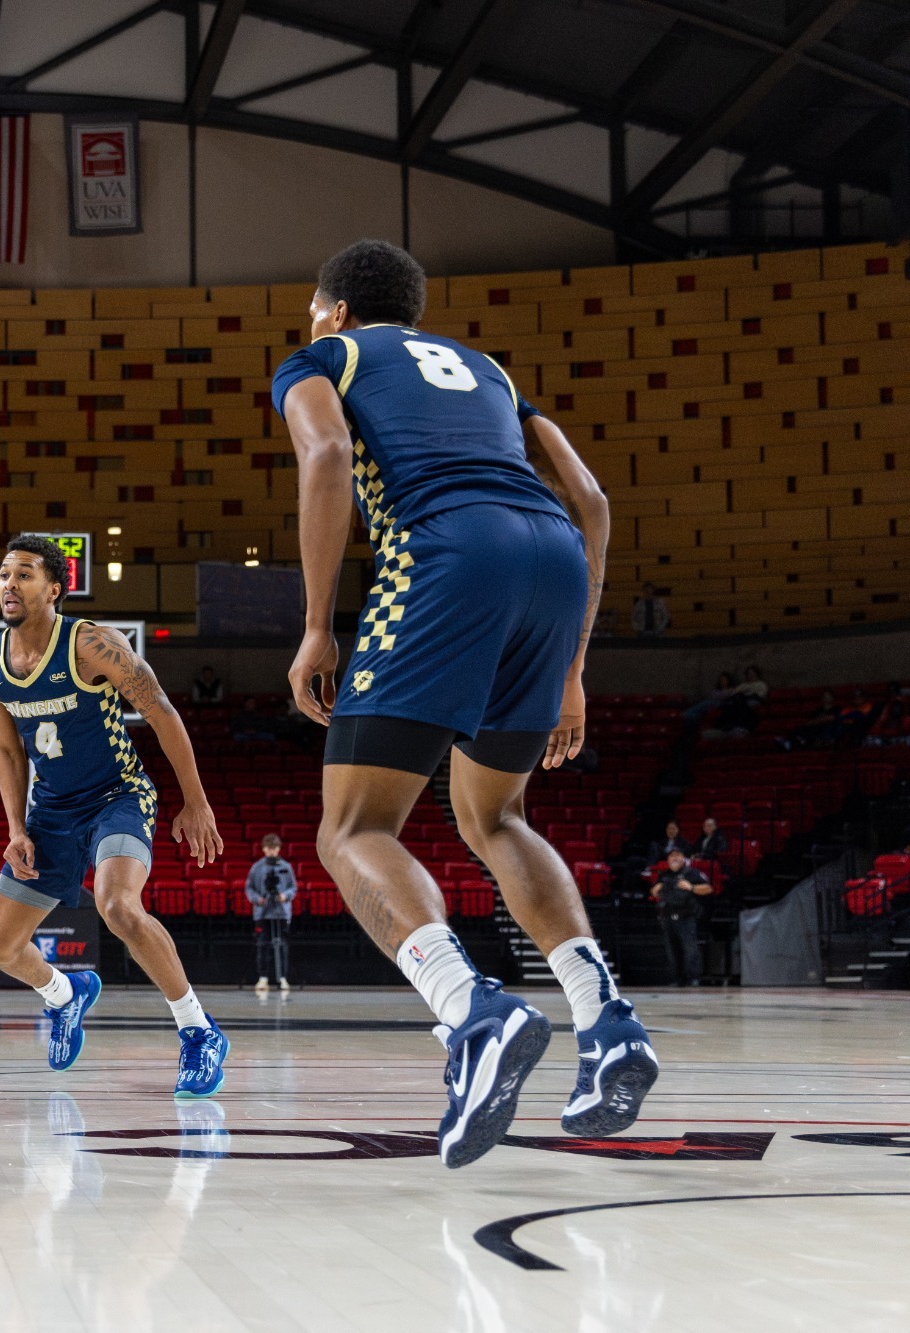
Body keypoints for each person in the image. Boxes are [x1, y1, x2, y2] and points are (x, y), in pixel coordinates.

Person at [275, 239, 656, 1167]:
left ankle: (472, 1012)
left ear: (334, 308)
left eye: (315, 307)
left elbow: (326, 454)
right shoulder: (487, 370)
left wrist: (318, 624)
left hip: (448, 552)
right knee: (497, 815)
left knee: (352, 827)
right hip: (554, 559)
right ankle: (606, 1018)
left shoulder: (324, 356)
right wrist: (572, 665)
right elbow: (593, 499)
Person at [0, 535, 228, 1098]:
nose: (9, 584)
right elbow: (7, 750)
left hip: (119, 795)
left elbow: (160, 711)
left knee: (117, 906)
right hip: (52, 809)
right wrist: (16, 828)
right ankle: (64, 995)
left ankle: (198, 1030)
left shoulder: (93, 645)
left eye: (24, 574)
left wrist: (195, 800)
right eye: (5, 574)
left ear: (53, 590)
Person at [244, 834, 297, 994]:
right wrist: (257, 899)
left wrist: (285, 896)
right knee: (263, 945)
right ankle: (263, 978)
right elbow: (249, 888)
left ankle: (283, 978)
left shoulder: (286, 867)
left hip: (281, 913)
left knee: (282, 946)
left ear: (279, 849)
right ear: (264, 849)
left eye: (274, 848)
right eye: (269, 848)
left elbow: (293, 888)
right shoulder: (257, 868)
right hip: (263, 913)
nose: (272, 851)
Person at [651, 849, 712, 985]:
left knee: (690, 949)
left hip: (686, 917)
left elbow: (708, 888)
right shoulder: (664, 875)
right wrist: (656, 889)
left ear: (683, 858)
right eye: (671, 856)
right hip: (668, 917)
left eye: (677, 855)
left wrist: (692, 887)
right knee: (672, 951)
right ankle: (676, 978)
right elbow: (654, 891)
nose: (674, 858)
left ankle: (693, 978)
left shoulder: (692, 873)